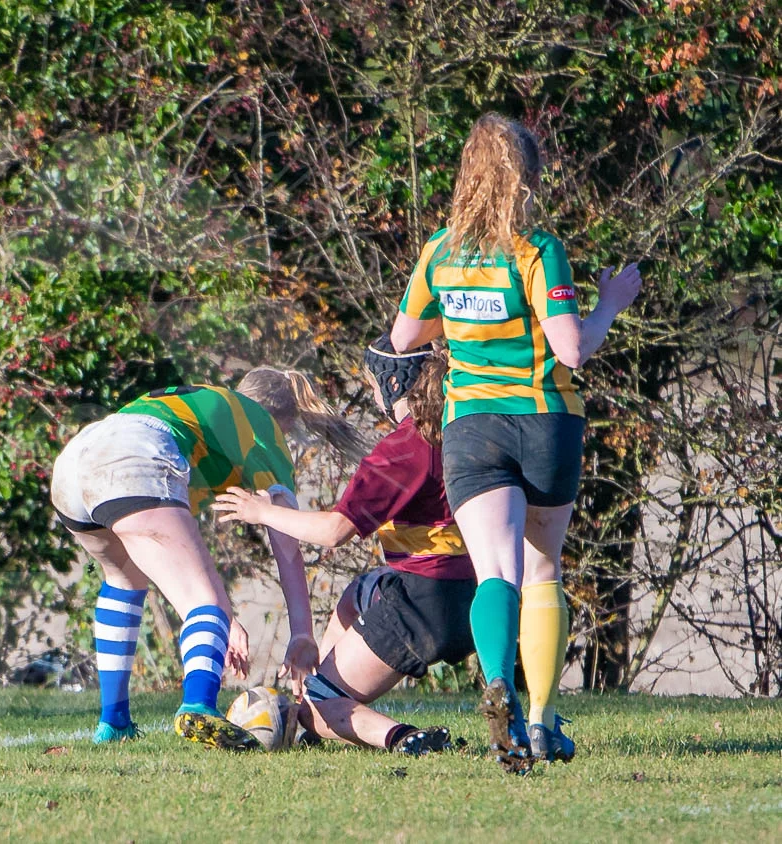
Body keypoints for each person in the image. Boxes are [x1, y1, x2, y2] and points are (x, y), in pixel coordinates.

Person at [389, 113, 641, 771]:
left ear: (467, 175)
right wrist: (611, 300)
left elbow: (401, 339)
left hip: (471, 424)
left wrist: (461, 317)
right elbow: (572, 349)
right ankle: (538, 722)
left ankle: (496, 680)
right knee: (543, 569)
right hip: (545, 420)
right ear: (525, 179)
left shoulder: (440, 252)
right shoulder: (536, 249)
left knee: (495, 570)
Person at [51, 369, 366, 750]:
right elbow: (287, 545)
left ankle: (115, 722)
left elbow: (189, 553)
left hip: (77, 457)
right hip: (134, 452)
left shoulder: (208, 410)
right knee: (204, 603)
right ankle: (198, 705)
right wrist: (302, 632)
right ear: (286, 418)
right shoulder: (261, 426)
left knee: (124, 581)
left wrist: (227, 620)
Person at [214, 338, 470, 756]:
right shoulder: (461, 430)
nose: (372, 396)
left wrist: (260, 512)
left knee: (316, 709)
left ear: (392, 383)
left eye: (372, 386)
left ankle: (401, 737)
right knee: (359, 593)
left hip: (428, 600)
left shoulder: (404, 448)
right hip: (474, 590)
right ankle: (323, 692)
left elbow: (334, 530)